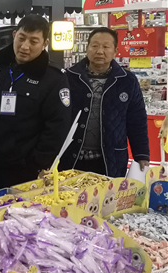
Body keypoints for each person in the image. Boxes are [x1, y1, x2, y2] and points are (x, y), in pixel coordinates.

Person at [0, 14, 72, 195]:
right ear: (14, 35)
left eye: (33, 41)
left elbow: (57, 127)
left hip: (23, 172)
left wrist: (36, 164)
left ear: (45, 43)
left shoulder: (53, 78)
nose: (25, 46)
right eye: (21, 38)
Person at [59, 27, 149, 177]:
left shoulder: (127, 81)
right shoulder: (68, 77)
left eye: (106, 47)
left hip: (110, 160)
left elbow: (137, 120)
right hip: (71, 157)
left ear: (115, 51)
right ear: (87, 48)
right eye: (94, 46)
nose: (100, 51)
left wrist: (142, 154)